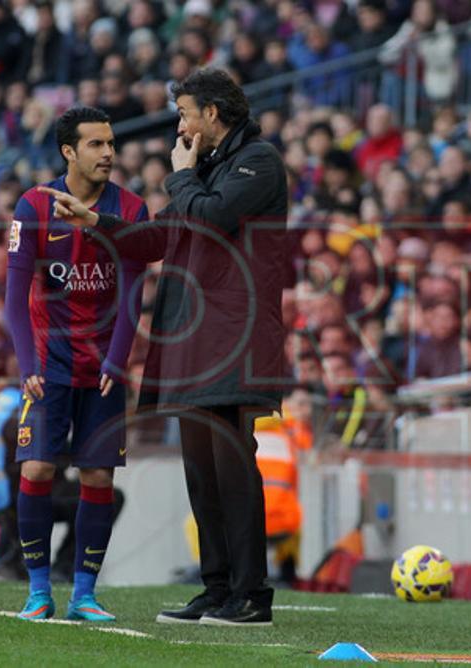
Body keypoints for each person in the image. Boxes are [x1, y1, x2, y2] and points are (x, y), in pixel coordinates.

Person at [43, 69, 289, 626]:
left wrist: (180, 176)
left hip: (235, 334)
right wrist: (96, 222)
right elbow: (159, 237)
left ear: (213, 115)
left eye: (184, 112)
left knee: (232, 461)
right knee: (201, 467)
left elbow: (211, 219)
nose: (179, 124)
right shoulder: (205, 171)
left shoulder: (260, 162)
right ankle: (216, 587)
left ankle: (252, 595)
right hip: (192, 333)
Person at [4, 107, 148, 622]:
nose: (109, 152)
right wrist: (27, 366)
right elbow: (14, 298)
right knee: (38, 466)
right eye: (96, 144)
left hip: (104, 367)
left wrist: (117, 358)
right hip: (49, 364)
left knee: (98, 479)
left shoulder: (130, 209)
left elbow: (134, 291)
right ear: (69, 151)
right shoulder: (33, 207)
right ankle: (38, 591)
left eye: (111, 143)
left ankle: (84, 594)